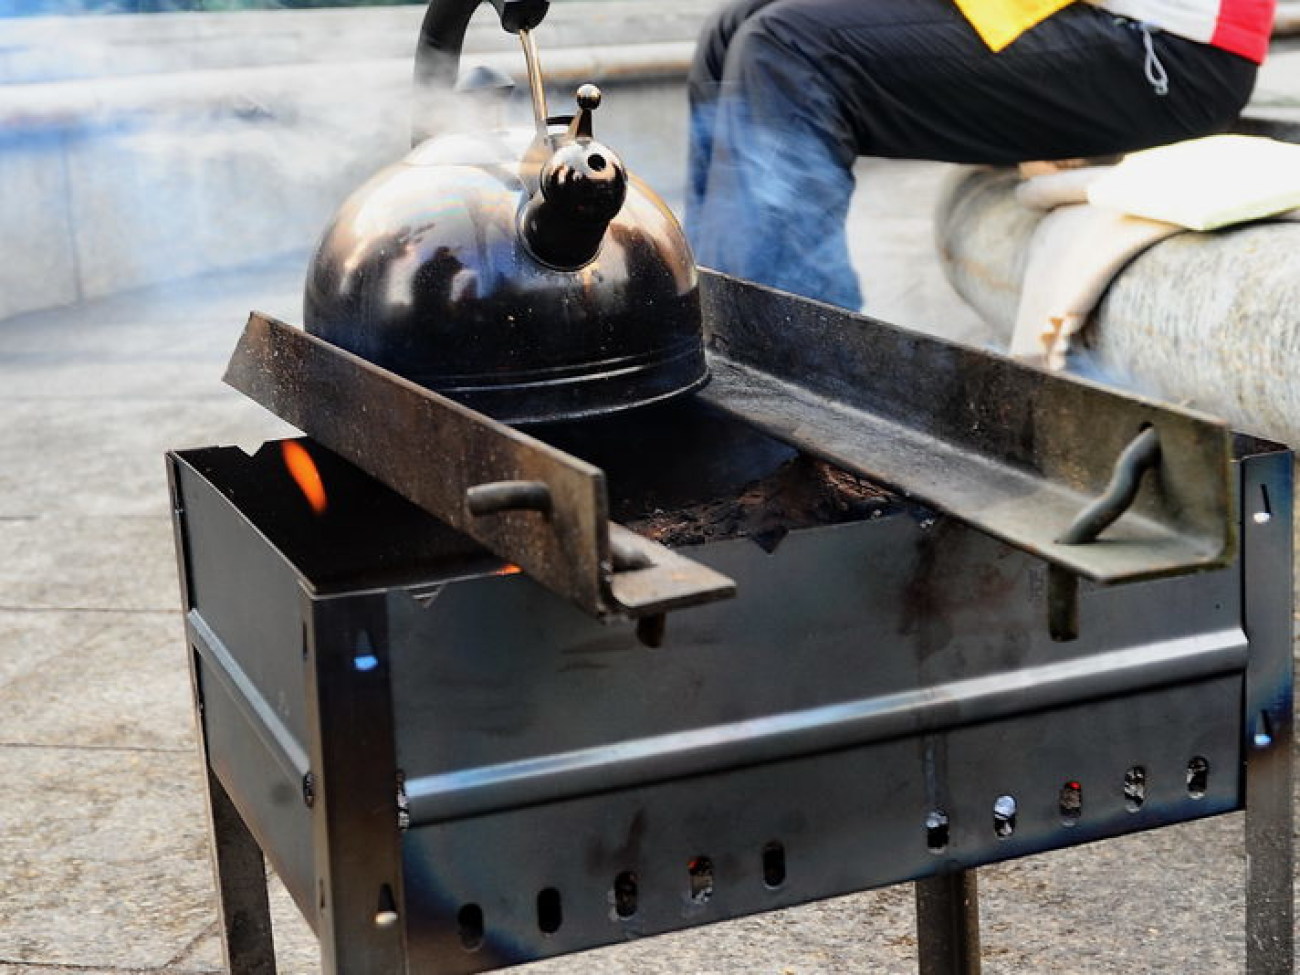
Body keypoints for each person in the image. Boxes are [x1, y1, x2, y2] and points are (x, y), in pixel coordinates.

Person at [686, 0, 1276, 311]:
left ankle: (796, 391)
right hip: (1067, 12)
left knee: (788, 49)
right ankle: (711, 341)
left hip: (1167, 49)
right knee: (732, 28)